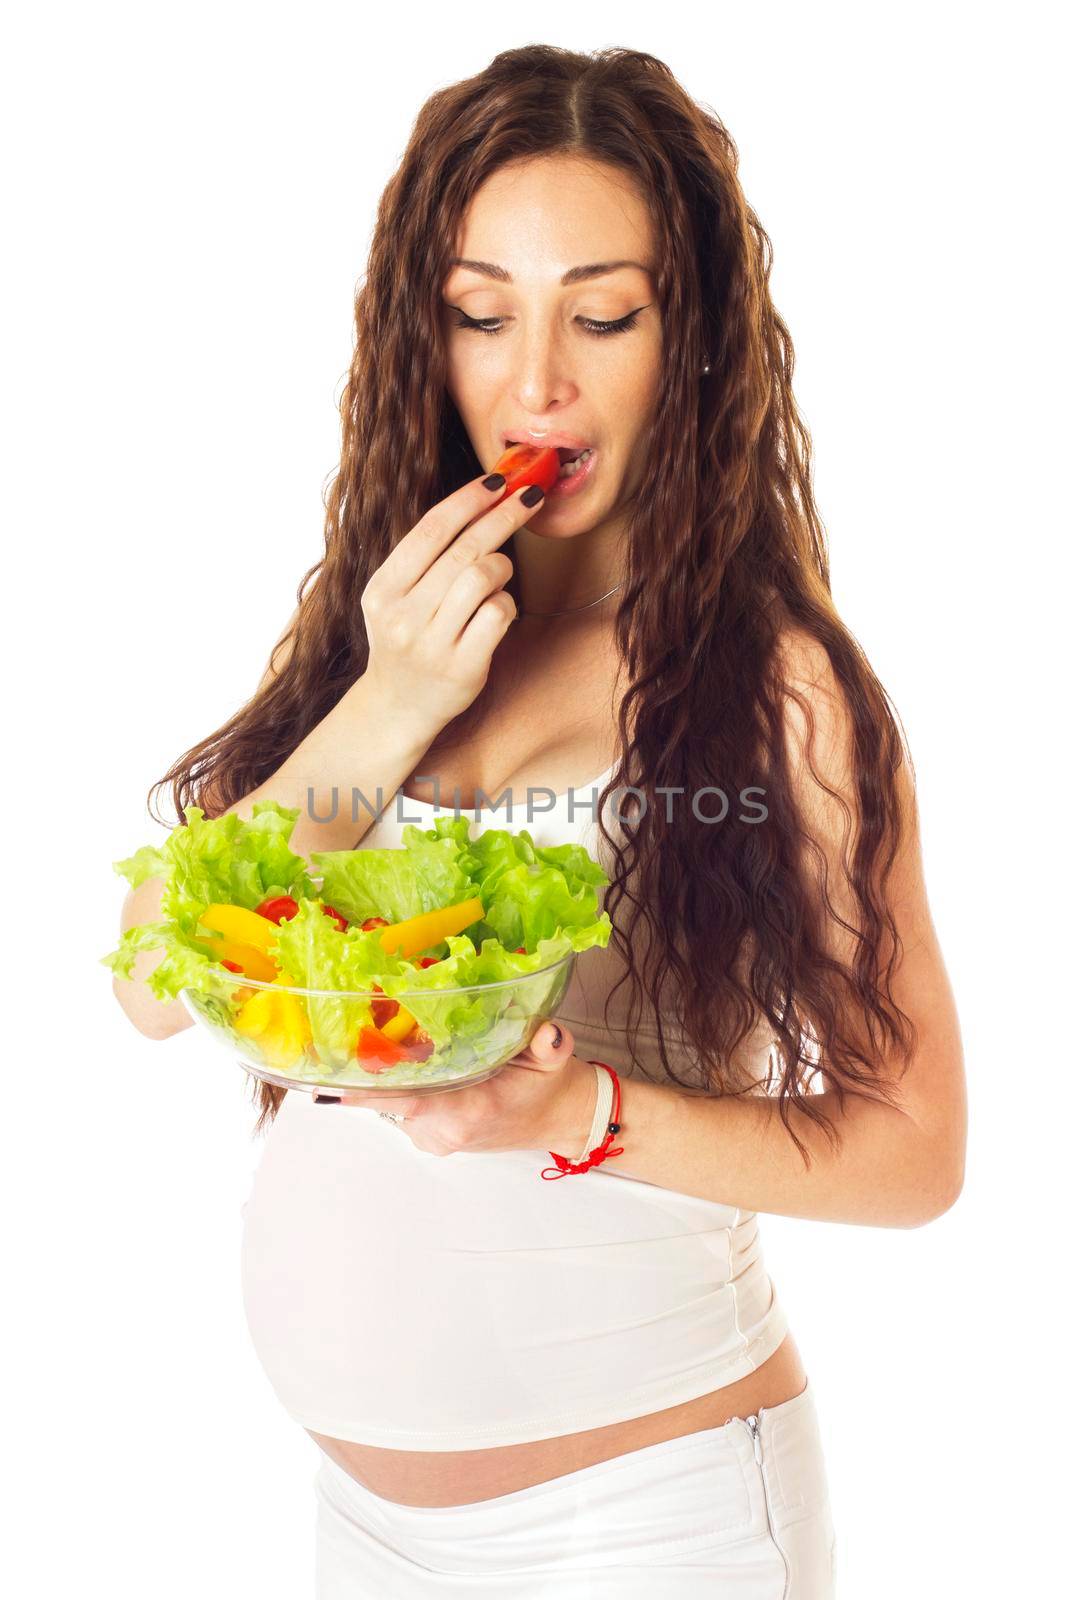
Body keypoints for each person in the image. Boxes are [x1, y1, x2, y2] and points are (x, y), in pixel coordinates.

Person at [113, 44, 967, 1599]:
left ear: (690, 336)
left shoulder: (779, 688)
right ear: (420, 338)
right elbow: (149, 984)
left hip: (654, 1521)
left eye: (606, 314)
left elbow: (916, 1154)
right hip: (358, 1531)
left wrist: (583, 1119)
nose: (538, 384)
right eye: (483, 314)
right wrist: (383, 707)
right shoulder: (382, 630)